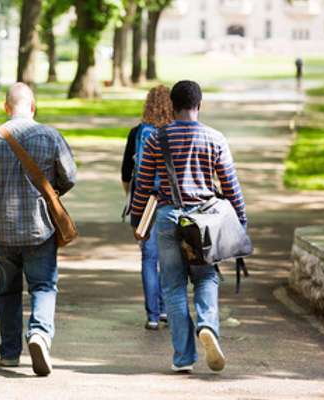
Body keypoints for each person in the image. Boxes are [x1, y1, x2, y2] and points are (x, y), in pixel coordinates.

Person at [0, 82, 77, 376]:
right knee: (43, 286)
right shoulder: (50, 136)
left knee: (7, 291)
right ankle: (39, 334)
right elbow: (70, 176)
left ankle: (9, 353)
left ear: (6, 107)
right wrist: (51, 190)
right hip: (40, 227)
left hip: (2, 230)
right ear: (33, 106)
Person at [130, 81, 247, 373]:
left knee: (172, 286)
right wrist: (240, 220)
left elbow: (143, 184)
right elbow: (231, 186)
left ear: (172, 106)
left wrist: (137, 218)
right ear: (200, 104)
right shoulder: (215, 138)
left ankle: (183, 357)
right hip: (204, 221)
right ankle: (207, 325)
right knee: (206, 277)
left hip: (168, 217)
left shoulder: (157, 138)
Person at [121, 85, 173, 331]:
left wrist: (134, 201)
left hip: (145, 203)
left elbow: (125, 174)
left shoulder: (137, 133)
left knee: (149, 258)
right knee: (170, 257)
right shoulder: (176, 132)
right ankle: (165, 310)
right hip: (171, 201)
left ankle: (152, 315)